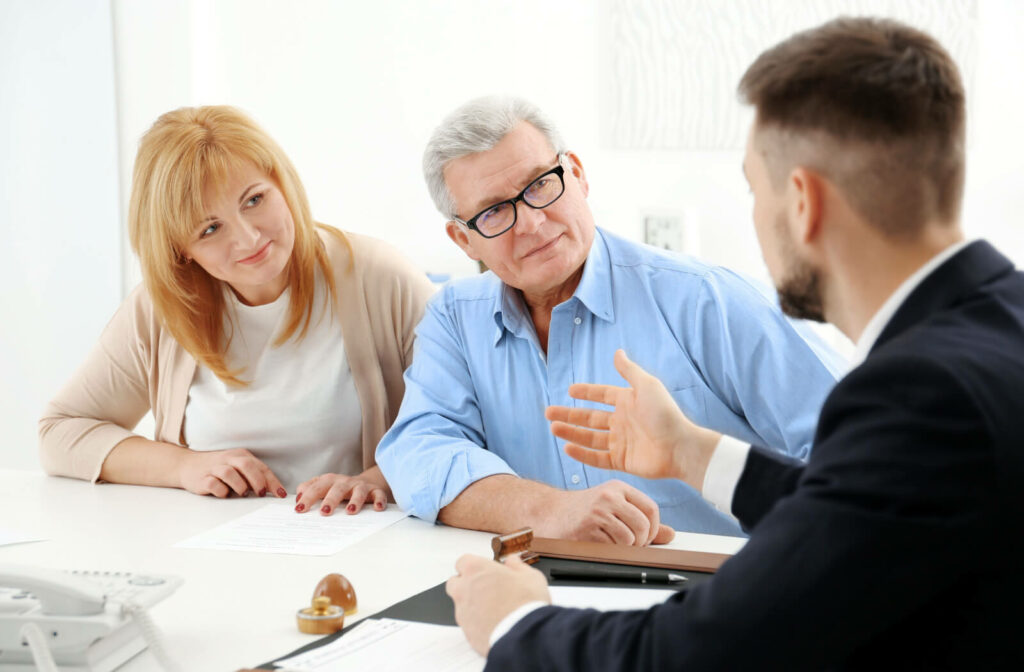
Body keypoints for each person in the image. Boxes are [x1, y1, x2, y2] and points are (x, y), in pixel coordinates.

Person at [445, 17, 1024, 670]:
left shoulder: (920, 395)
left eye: (752, 188)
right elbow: (867, 506)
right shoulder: (1002, 320)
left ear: (802, 202)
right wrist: (692, 452)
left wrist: (514, 620)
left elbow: (698, 654)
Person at [375, 96, 842, 542]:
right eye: (495, 211)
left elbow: (866, 455)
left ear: (576, 175)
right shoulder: (454, 319)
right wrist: (548, 511)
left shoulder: (705, 300)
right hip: (548, 594)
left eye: (540, 184)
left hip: (725, 596)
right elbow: (419, 451)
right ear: (463, 240)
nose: (532, 223)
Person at [39, 106, 435, 516]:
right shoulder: (162, 308)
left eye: (254, 200)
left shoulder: (380, 279)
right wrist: (183, 466)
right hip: (214, 557)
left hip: (355, 554)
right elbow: (59, 433)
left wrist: (376, 480)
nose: (248, 239)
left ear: (281, 183)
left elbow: (467, 426)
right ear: (181, 252)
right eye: (209, 229)